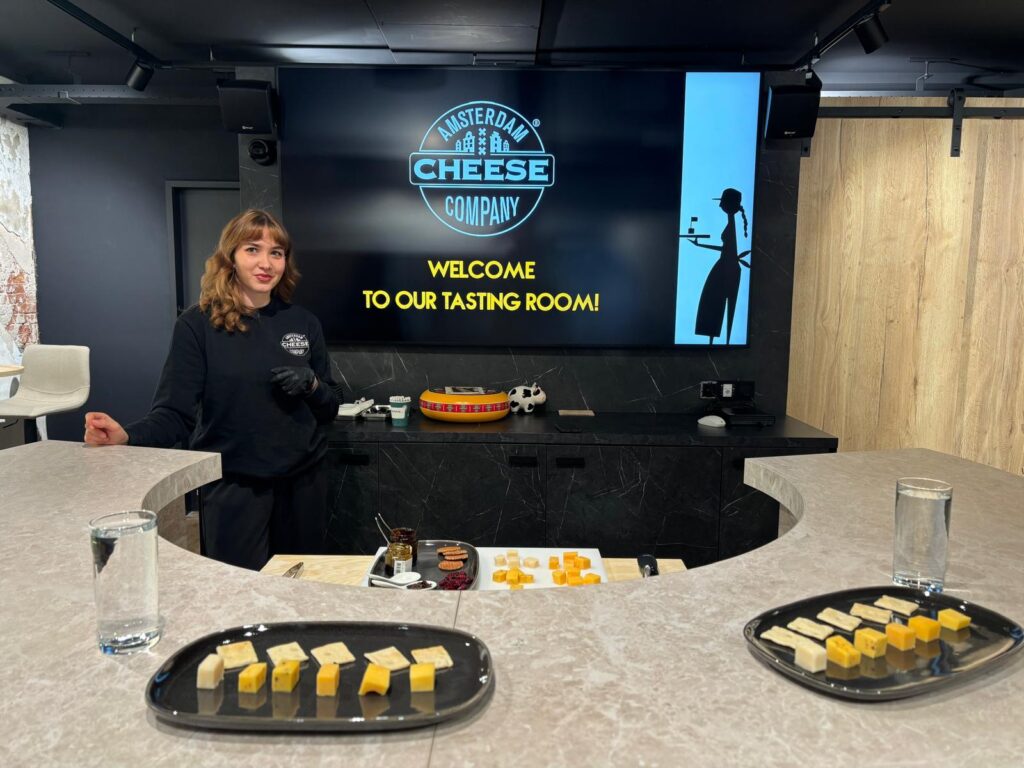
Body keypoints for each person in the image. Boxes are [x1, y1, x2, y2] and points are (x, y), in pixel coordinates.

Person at [84, 209, 340, 570]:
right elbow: (174, 414)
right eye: (253, 249)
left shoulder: (302, 322)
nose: (266, 262)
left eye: (276, 253)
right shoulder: (197, 326)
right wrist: (127, 435)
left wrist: (312, 385)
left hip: (302, 484)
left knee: (301, 591)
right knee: (237, 595)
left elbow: (329, 407)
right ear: (231, 257)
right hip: (233, 484)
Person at [683, 187, 751, 344]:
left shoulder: (732, 224)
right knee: (712, 302)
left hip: (727, 268)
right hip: (726, 265)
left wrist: (700, 246)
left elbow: (730, 250)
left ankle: (716, 341)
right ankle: (712, 340)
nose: (720, 206)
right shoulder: (731, 223)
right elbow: (727, 249)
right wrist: (700, 245)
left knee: (713, 303)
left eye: (722, 202)